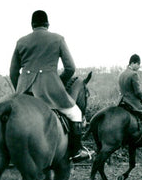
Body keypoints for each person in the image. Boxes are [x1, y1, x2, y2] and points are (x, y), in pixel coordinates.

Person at [9, 9, 92, 162]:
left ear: (32, 25)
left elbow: (13, 72)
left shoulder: (21, 41)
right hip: (49, 90)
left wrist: (20, 90)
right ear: (47, 23)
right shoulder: (58, 39)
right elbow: (70, 68)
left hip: (24, 89)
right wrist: (58, 81)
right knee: (76, 114)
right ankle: (76, 151)